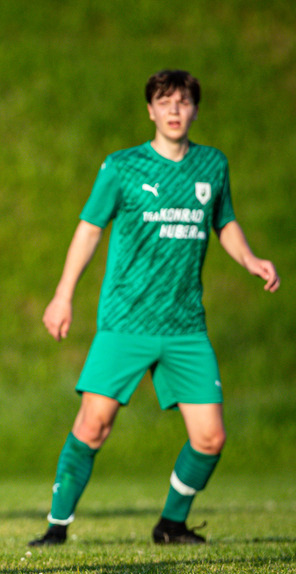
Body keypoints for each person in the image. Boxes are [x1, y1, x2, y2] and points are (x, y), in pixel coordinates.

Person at [30, 70, 279, 547]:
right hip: (125, 322)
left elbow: (224, 222)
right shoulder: (121, 167)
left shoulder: (212, 165)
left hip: (185, 325)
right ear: (150, 110)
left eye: (183, 102)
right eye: (164, 102)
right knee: (93, 425)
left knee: (210, 438)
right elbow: (88, 229)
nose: (173, 110)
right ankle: (56, 527)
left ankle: (171, 524)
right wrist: (63, 294)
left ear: (195, 110)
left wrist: (250, 259)